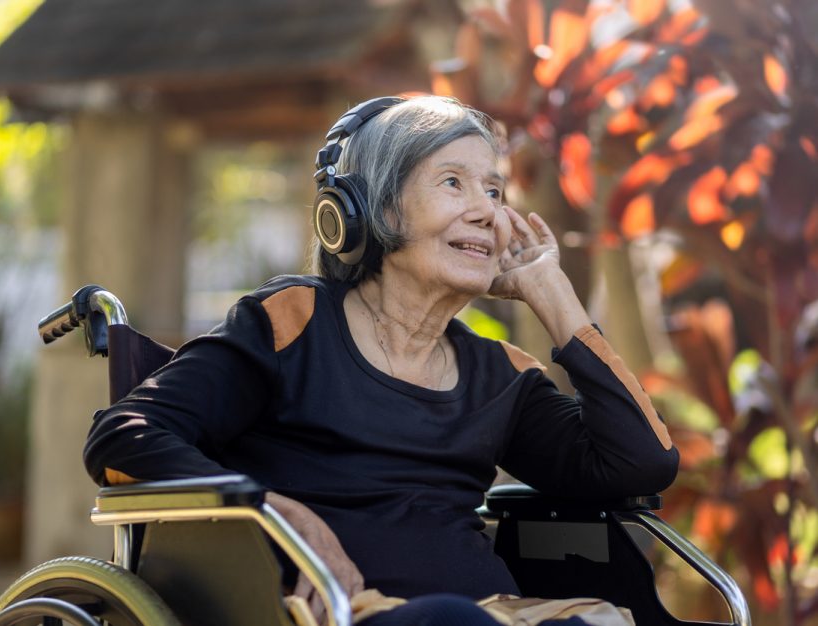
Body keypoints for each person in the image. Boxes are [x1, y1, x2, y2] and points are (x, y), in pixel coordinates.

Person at [83, 95, 679, 625]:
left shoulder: (500, 375)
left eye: (493, 190)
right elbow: (123, 435)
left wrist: (553, 293)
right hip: (331, 610)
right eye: (453, 183)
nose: (487, 212)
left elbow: (639, 464)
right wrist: (276, 511)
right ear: (374, 210)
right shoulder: (292, 324)